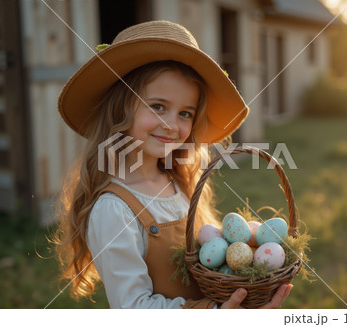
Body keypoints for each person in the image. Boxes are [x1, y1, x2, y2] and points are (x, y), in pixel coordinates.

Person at [52, 20, 293, 309]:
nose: (172, 125)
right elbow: (134, 308)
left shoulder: (178, 182)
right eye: (157, 106)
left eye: (185, 113)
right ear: (120, 107)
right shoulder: (114, 209)